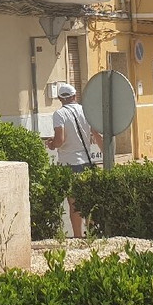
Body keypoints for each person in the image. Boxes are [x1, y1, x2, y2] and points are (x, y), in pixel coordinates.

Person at [45, 82, 102, 238]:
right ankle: (92, 234)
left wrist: (51, 144)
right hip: (87, 161)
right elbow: (96, 133)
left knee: (74, 204)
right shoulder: (85, 110)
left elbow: (60, 140)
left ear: (60, 99)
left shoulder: (59, 114)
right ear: (75, 96)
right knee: (89, 201)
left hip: (69, 163)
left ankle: (78, 237)